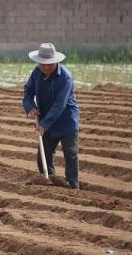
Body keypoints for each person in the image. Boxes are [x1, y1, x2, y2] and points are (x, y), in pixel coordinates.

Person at [23, 43, 80, 189]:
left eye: (49, 64)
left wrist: (43, 125)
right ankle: (50, 181)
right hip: (47, 120)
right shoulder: (36, 72)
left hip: (67, 121)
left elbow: (59, 105)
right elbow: (28, 91)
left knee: (70, 153)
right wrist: (30, 107)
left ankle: (73, 185)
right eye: (43, 64)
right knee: (43, 157)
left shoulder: (65, 78)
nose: (46, 67)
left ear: (56, 61)